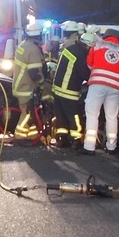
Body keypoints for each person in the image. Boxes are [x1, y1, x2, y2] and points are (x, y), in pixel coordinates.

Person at [82, 28, 119, 155]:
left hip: (97, 84)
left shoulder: (98, 46)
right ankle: (111, 146)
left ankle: (89, 146)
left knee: (92, 114)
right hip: (114, 87)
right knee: (112, 116)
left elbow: (89, 64)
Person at [50, 20, 90, 148]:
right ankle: (76, 139)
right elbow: (85, 74)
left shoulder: (69, 49)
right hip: (69, 91)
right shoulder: (80, 54)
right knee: (74, 116)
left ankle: (62, 139)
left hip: (57, 89)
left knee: (61, 116)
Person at [11, 24, 47, 139]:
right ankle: (20, 136)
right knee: (27, 113)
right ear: (39, 35)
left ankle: (32, 136)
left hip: (20, 85)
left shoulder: (23, 45)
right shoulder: (33, 49)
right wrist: (42, 83)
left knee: (31, 113)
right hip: (26, 88)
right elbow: (34, 72)